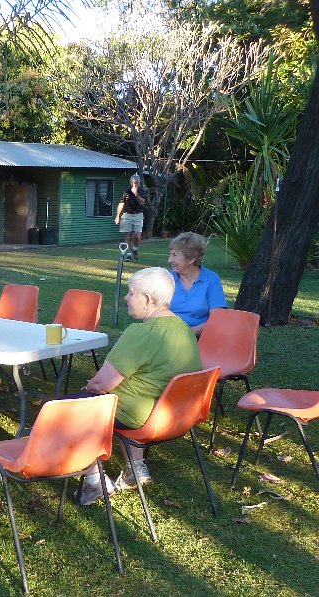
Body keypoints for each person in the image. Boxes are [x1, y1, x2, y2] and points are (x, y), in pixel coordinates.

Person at [73, 267, 202, 506]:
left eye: (131, 293)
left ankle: (95, 482)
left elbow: (102, 384)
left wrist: (89, 386)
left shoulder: (142, 332)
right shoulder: (183, 328)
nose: (126, 298)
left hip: (140, 414)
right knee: (128, 394)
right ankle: (136, 469)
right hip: (176, 414)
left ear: (148, 299)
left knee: (61, 409)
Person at [167, 232, 227, 336]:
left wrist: (187, 334)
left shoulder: (211, 280)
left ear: (192, 259)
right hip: (167, 334)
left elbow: (217, 318)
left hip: (199, 337)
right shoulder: (167, 277)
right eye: (170, 254)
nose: (169, 260)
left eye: (175, 255)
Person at [114, 174, 146, 261]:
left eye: (135, 183)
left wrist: (136, 194)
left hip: (138, 215)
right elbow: (121, 203)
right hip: (127, 215)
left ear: (138, 183)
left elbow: (142, 202)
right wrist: (117, 216)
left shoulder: (142, 191)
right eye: (132, 183)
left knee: (137, 235)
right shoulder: (126, 191)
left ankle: (135, 249)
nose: (133, 184)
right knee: (127, 235)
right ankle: (128, 254)